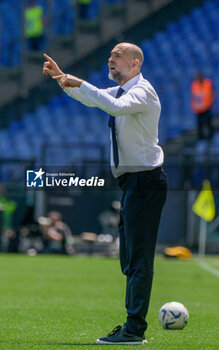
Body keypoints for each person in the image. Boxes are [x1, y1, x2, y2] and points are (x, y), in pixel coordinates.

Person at [43, 42, 167, 345]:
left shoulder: (142, 92)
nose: (110, 59)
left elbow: (113, 106)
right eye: (110, 55)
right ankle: (132, 324)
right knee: (129, 258)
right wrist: (62, 78)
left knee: (137, 260)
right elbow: (92, 98)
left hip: (145, 182)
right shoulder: (124, 91)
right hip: (132, 184)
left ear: (135, 64)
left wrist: (81, 82)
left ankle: (134, 329)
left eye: (117, 56)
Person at [191, 72, 215, 140]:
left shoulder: (208, 83)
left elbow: (212, 93)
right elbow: (194, 96)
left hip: (207, 107)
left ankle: (210, 137)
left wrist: (210, 104)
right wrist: (194, 106)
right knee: (200, 124)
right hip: (199, 108)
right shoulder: (194, 84)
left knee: (209, 122)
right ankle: (200, 137)